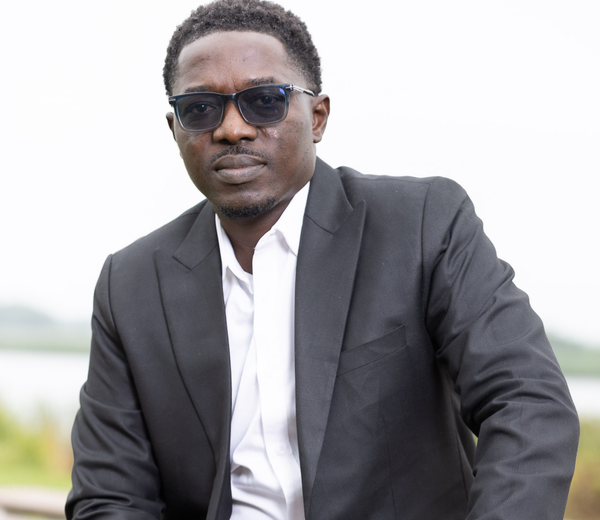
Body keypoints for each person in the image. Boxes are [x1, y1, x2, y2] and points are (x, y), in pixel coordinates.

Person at [66, 1, 579, 519]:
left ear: (317, 117)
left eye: (264, 101)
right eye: (201, 108)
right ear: (175, 128)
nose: (232, 129)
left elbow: (527, 403)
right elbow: (110, 495)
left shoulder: (422, 225)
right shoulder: (130, 285)